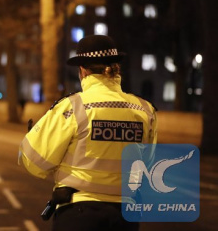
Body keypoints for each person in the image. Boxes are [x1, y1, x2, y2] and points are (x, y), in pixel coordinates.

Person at [19, 34, 157, 231]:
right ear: (116, 69)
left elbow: (34, 162)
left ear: (83, 70)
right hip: (125, 216)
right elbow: (147, 164)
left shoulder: (73, 107)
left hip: (78, 214)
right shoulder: (145, 110)